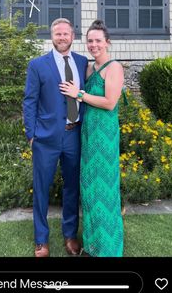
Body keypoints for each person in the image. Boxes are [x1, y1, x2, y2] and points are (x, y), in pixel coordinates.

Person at [23, 18, 88, 257]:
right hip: (46, 139)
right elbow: (29, 101)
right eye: (58, 34)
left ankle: (70, 235)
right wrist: (31, 135)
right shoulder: (38, 65)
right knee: (41, 188)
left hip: (74, 135)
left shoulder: (82, 63)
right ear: (52, 36)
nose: (62, 37)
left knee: (72, 187)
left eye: (66, 34)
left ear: (73, 36)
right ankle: (41, 239)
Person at [59, 19, 124, 257]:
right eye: (90, 41)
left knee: (104, 190)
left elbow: (109, 103)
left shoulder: (113, 67)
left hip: (104, 136)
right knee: (89, 189)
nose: (93, 45)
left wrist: (79, 94)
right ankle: (92, 244)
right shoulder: (88, 68)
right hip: (87, 134)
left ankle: (107, 247)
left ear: (107, 42)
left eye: (98, 40)